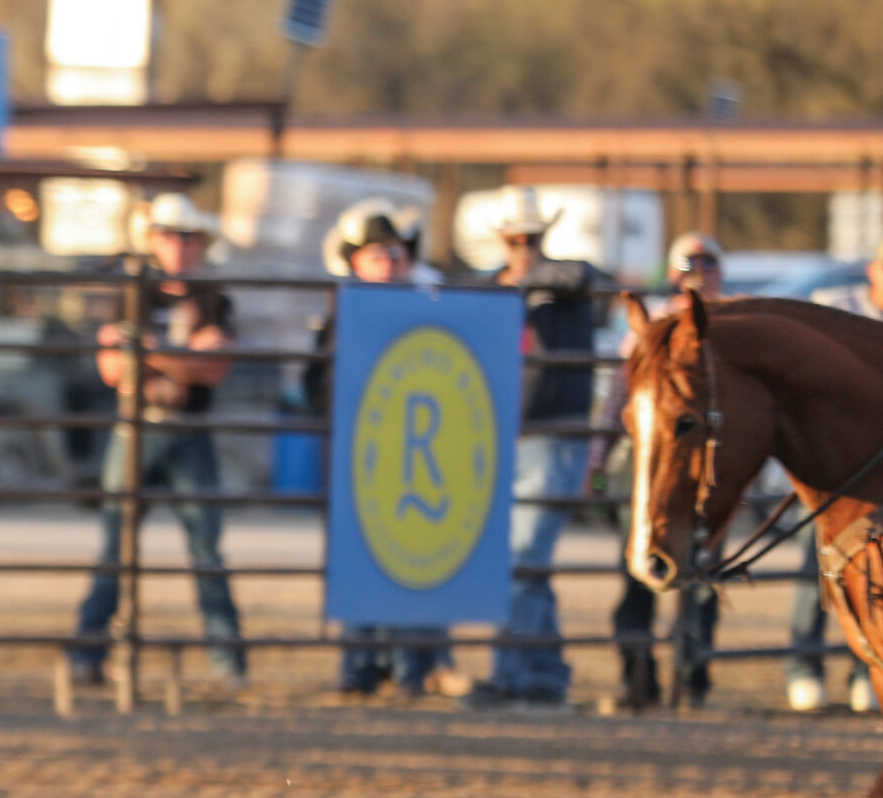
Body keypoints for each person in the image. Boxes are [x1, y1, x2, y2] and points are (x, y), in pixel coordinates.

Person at [69, 192, 247, 688]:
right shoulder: (132, 290)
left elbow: (213, 367)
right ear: (152, 240)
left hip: (185, 428)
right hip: (139, 426)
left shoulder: (212, 296)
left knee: (206, 548)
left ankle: (227, 659)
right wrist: (181, 357)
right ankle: (89, 650)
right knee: (115, 545)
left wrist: (150, 353)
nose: (179, 245)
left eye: (187, 237)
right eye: (170, 235)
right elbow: (111, 368)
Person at [307, 200, 468, 699]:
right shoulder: (340, 314)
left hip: (413, 455)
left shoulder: (426, 309)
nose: (388, 265)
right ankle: (361, 665)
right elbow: (317, 386)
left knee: (411, 554)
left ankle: (408, 666)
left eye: (394, 255)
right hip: (365, 453)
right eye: (377, 255)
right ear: (355, 262)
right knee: (361, 552)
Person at [476, 193, 603, 706]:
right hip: (514, 438)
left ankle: (510, 677)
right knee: (527, 560)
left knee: (524, 558)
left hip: (555, 437)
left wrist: (523, 283)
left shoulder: (563, 283)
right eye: (516, 240)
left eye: (532, 239)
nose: (525, 248)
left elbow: (582, 274)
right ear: (503, 241)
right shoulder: (493, 289)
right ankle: (547, 675)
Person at [597, 232, 725, 711]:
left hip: (704, 464)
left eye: (706, 268)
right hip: (649, 462)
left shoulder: (729, 331)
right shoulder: (648, 331)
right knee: (640, 567)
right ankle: (639, 675)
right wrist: (597, 457)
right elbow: (617, 399)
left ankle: (692, 677)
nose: (697, 277)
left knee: (705, 577)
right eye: (688, 269)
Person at [792, 245, 883, 713]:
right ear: (873, 269)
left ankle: (862, 669)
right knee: (819, 571)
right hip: (838, 472)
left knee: (873, 581)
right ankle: (804, 664)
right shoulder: (835, 309)